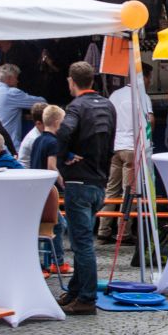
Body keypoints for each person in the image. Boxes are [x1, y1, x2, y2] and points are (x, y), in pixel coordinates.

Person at [54, 62, 116, 316]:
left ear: (71, 81)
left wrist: (63, 156)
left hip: (79, 182)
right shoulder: (108, 105)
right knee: (83, 239)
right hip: (100, 181)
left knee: (82, 243)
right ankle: (76, 289)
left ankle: (87, 298)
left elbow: (64, 130)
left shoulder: (76, 106)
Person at [98, 67, 155, 244]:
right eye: (149, 78)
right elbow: (151, 120)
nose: (150, 82)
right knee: (128, 192)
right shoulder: (143, 97)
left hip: (116, 147)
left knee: (111, 189)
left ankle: (103, 230)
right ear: (143, 78)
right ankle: (123, 233)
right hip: (132, 149)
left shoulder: (115, 95)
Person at [30, 104, 68, 272]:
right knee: (59, 225)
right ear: (57, 122)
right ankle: (58, 263)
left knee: (48, 225)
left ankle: (48, 262)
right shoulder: (53, 142)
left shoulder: (38, 140)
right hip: (47, 192)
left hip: (35, 190)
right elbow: (51, 166)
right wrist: (62, 182)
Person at [0, 63, 46, 145]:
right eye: (16, 78)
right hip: (9, 146)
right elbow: (42, 102)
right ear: (9, 78)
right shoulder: (12, 93)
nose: (18, 81)